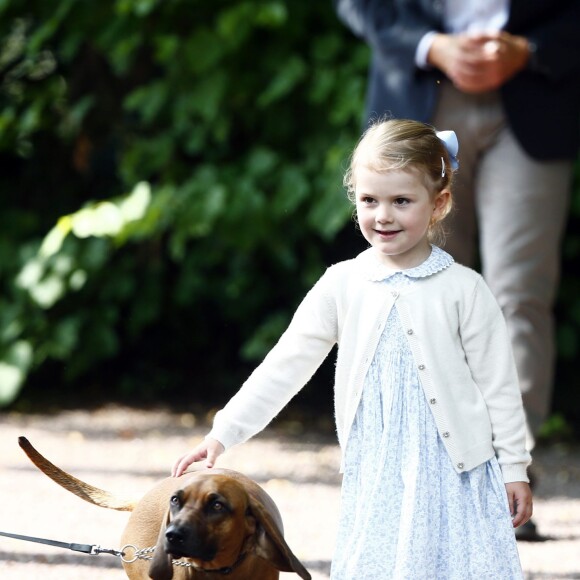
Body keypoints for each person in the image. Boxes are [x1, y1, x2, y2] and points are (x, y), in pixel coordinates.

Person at [173, 119, 533, 578]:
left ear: (438, 203)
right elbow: (285, 364)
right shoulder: (343, 284)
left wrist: (514, 468)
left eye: (401, 201)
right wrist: (222, 434)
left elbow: (498, 385)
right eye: (369, 200)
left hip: (454, 476)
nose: (383, 215)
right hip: (378, 470)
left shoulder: (464, 289)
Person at [333, 0, 580, 540]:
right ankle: (430, 473)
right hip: (421, 99)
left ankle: (503, 474)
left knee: (519, 295)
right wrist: (430, 45)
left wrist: (530, 50)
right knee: (420, 288)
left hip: (535, 103)